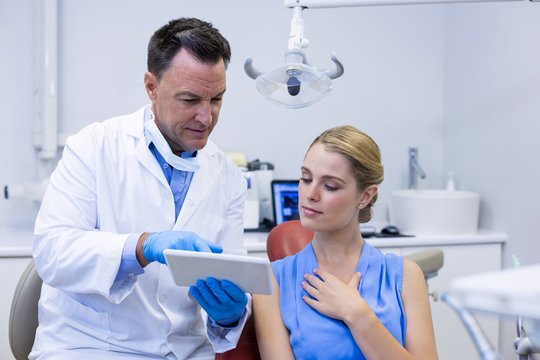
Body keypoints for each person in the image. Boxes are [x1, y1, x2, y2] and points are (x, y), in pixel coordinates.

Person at [31, 18, 250, 360]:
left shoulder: (228, 177)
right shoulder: (94, 147)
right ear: (151, 86)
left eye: (217, 99)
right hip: (91, 347)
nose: (206, 117)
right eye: (190, 99)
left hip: (185, 352)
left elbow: (232, 277)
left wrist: (230, 315)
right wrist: (142, 246)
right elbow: (53, 252)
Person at [253, 125, 438, 359]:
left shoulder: (407, 275)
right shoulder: (271, 282)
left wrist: (358, 315)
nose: (310, 193)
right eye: (306, 178)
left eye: (330, 186)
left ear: (365, 196)